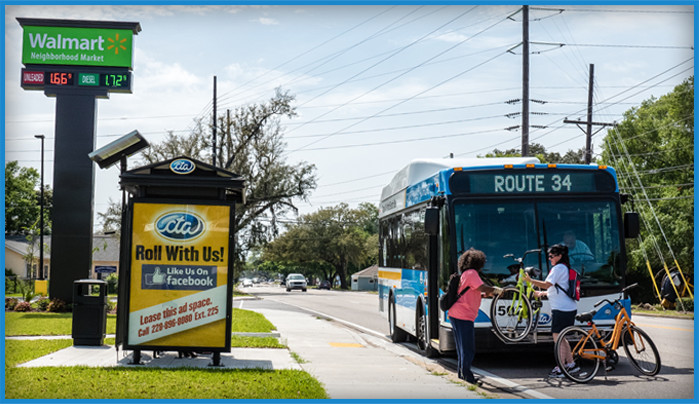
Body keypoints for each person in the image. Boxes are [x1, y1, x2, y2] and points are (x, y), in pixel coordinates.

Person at [448, 248, 503, 386]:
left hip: (457, 313)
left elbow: (473, 291)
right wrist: (496, 290)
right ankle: (468, 376)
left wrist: (486, 294)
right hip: (463, 314)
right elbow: (482, 287)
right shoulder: (472, 273)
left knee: (462, 347)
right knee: (468, 347)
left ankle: (462, 373)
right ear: (479, 262)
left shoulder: (466, 273)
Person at [522, 244, 578, 378]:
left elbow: (547, 284)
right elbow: (556, 289)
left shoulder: (558, 268)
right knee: (562, 338)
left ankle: (561, 368)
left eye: (552, 256)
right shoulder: (563, 267)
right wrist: (542, 294)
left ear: (559, 256)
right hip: (567, 308)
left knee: (557, 338)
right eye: (548, 256)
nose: (549, 258)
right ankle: (571, 364)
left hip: (562, 309)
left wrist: (530, 280)